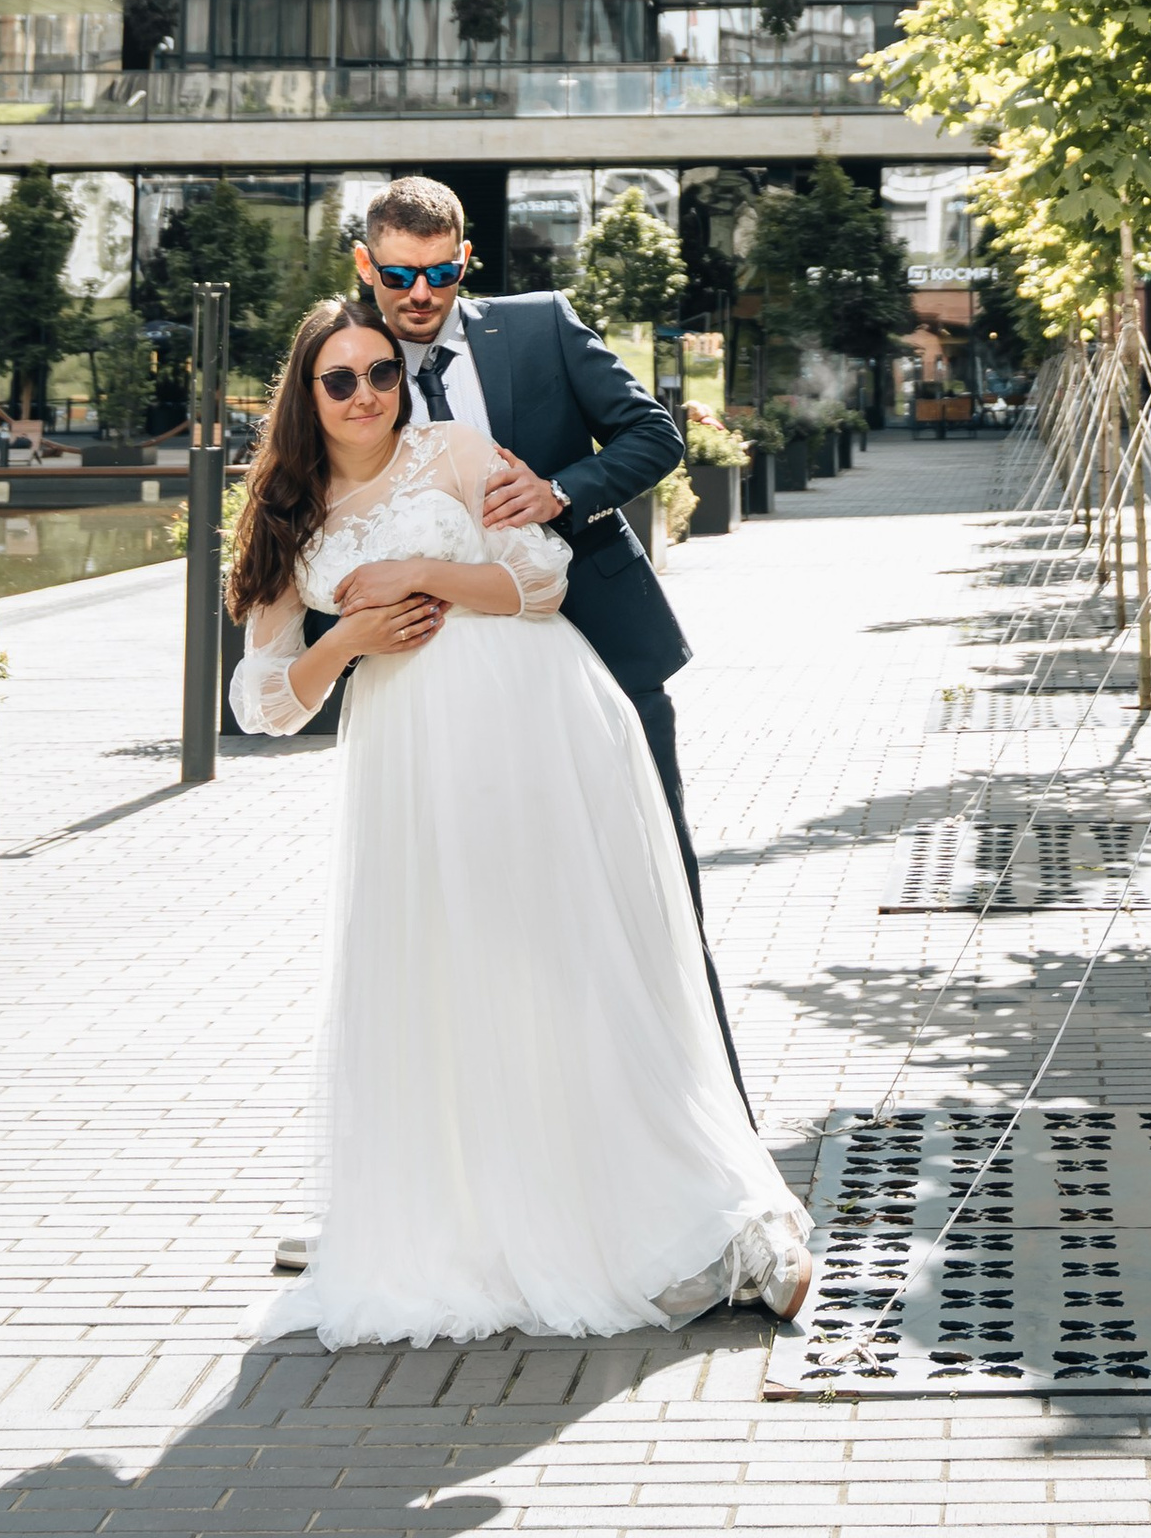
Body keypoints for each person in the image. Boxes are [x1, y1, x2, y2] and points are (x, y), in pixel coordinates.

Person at [228, 295, 811, 1348]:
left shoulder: (450, 447)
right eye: (342, 378)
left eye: (380, 373)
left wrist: (414, 572)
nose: (368, 393)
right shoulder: (287, 510)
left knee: (562, 956)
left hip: (536, 720)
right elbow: (264, 698)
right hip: (412, 759)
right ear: (304, 395)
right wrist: (345, 637)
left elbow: (540, 577)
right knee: (452, 974)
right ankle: (484, 1212)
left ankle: (677, 1210)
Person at [341, 174, 746, 1092]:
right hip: (446, 685)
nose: (418, 295)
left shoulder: (540, 324)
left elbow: (653, 434)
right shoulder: (347, 363)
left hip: (600, 643)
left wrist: (561, 490)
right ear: (367, 265)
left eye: (439, 274)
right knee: (475, 914)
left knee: (656, 891)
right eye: (398, 276)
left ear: (465, 261)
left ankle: (720, 1134)